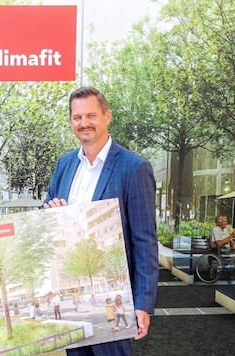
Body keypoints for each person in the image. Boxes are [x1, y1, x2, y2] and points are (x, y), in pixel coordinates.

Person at [43, 86, 158, 355]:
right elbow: (45, 211)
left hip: (113, 298)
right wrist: (50, 209)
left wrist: (143, 303)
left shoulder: (134, 167)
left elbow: (145, 241)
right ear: (71, 121)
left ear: (107, 116)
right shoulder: (65, 164)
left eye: (91, 116)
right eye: (77, 117)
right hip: (73, 296)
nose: (84, 123)